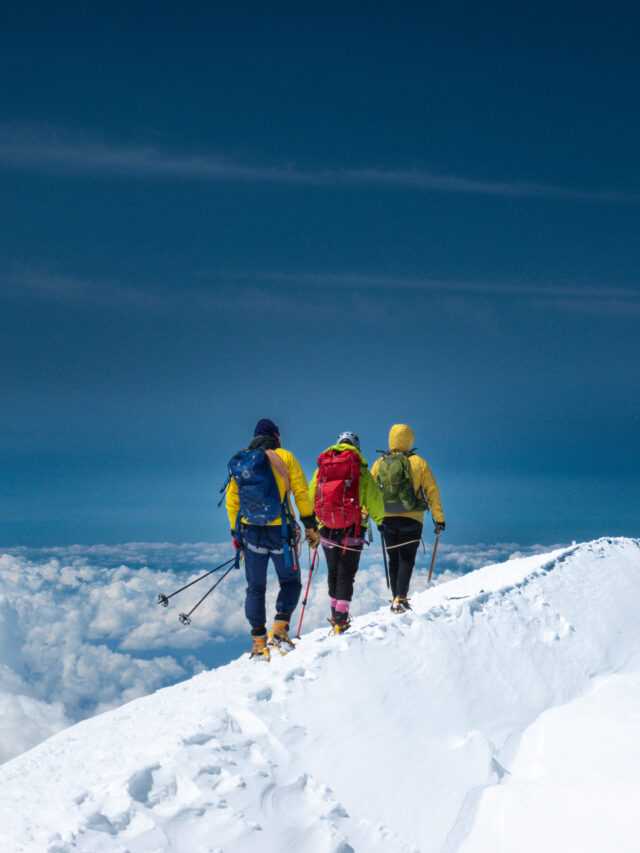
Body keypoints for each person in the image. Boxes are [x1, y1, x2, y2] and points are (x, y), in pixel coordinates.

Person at [226, 418, 319, 661]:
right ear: (276, 437)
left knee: (255, 588)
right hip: (282, 533)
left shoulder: (242, 462)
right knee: (290, 582)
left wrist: (236, 534)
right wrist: (310, 525)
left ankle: (258, 642)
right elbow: (300, 492)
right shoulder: (285, 458)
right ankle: (279, 629)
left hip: (251, 532)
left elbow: (232, 501)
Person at [309, 431, 384, 634]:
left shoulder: (322, 468)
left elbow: (312, 496)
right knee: (346, 575)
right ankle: (341, 619)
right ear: (356, 447)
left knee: (333, 572)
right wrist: (380, 521)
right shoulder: (360, 468)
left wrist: (314, 524)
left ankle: (335, 616)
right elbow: (374, 498)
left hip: (326, 531)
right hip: (353, 529)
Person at [371, 424, 445, 612]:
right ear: (410, 440)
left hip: (386, 518)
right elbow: (431, 490)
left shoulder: (380, 463)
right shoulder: (418, 462)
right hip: (412, 518)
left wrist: (366, 516)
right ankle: (400, 598)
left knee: (393, 558)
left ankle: (396, 596)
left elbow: (369, 491)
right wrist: (439, 518)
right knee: (406, 558)